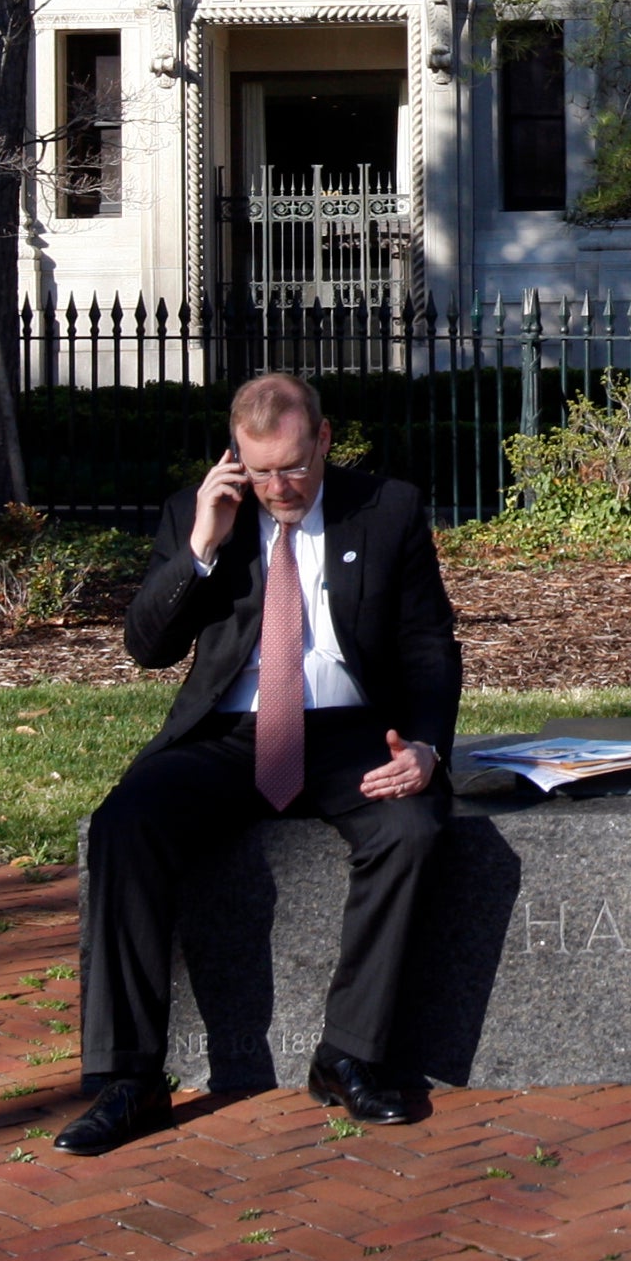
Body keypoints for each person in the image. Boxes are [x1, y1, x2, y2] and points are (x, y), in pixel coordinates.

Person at [57, 371, 460, 1156]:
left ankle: (349, 1053)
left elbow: (428, 643)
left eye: (293, 467)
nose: (278, 486)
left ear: (324, 438)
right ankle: (129, 1078)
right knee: (123, 825)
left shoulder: (388, 509)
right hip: (230, 731)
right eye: (259, 468)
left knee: (411, 828)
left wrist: (424, 743)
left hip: (349, 728)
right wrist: (203, 544)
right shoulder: (202, 512)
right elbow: (148, 647)